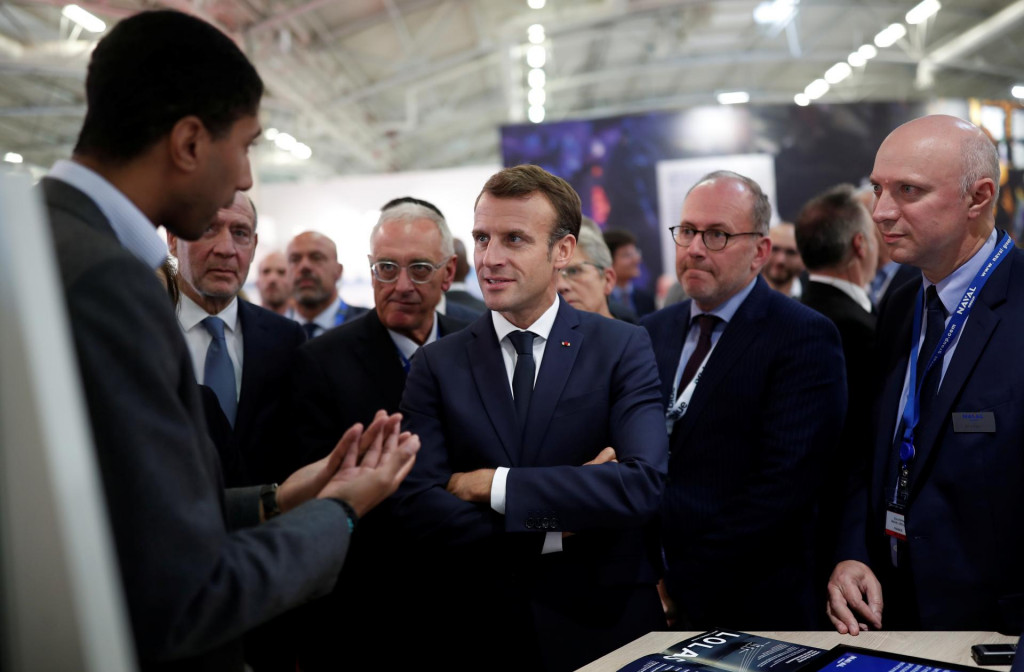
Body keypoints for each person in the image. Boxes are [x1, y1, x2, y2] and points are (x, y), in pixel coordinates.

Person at [41, 11, 417, 670]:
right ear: (189, 143)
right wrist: (342, 510)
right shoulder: (109, 283)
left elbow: (117, 518)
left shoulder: (42, 242)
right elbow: (186, 593)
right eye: (246, 145)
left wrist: (279, 497)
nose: (245, 177)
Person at [393, 164, 668, 671]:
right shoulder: (437, 364)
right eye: (481, 238)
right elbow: (418, 508)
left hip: (605, 626)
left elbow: (640, 487)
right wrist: (556, 527)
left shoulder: (621, 347)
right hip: (481, 628)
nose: (489, 258)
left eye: (514, 239)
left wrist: (495, 486)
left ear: (561, 251)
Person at [828, 115, 1024, 635]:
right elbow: (868, 450)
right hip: (892, 614)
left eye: (908, 191)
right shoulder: (902, 300)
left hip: (995, 633)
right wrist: (853, 553)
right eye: (878, 189)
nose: (880, 212)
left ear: (978, 198)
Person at [641, 170, 846, 629]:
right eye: (688, 231)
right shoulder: (650, 332)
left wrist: (679, 584)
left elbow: (782, 487)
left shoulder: (802, 336)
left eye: (717, 235)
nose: (694, 247)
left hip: (754, 602)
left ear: (760, 252)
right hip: (647, 594)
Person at [287, 200, 469, 669]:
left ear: (448, 273)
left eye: (420, 269)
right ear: (369, 270)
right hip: (370, 608)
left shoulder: (477, 345)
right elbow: (318, 489)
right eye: (386, 268)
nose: (401, 285)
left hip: (474, 594)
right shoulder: (322, 361)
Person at [168, 191, 305, 485]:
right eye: (208, 228)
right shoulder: (144, 334)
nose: (226, 249)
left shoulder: (287, 339)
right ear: (172, 239)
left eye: (240, 233)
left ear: (253, 246)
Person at [794, 183, 879, 608]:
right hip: (846, 541)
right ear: (860, 244)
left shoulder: (797, 317)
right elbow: (861, 443)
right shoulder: (853, 329)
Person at [285, 230, 367, 337]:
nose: (304, 266)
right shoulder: (272, 331)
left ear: (338, 270)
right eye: (295, 259)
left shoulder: (369, 328)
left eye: (316, 257)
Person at [555, 218, 619, 320]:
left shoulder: (635, 335)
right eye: (552, 276)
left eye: (574, 271)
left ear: (608, 279)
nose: (560, 286)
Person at [604, 227, 656, 317]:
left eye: (635, 253)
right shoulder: (602, 300)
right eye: (627, 255)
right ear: (609, 261)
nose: (636, 259)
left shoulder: (647, 299)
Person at [763, 222, 806, 298]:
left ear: (803, 259)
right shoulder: (740, 294)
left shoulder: (814, 302)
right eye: (774, 249)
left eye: (791, 252)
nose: (781, 260)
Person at [256, 249, 291, 315]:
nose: (272, 279)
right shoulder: (243, 323)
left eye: (281, 272)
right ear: (257, 283)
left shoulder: (305, 323)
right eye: (266, 271)